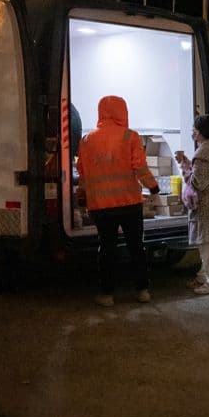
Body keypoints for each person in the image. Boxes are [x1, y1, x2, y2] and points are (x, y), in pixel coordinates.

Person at [77, 95, 160, 307]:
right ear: (123, 111)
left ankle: (106, 294)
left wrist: (81, 197)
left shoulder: (87, 140)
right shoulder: (130, 137)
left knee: (106, 249)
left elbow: (83, 173)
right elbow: (139, 167)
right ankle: (143, 290)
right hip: (130, 203)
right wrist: (152, 186)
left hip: (101, 206)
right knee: (136, 247)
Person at [177, 114, 209, 295]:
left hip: (206, 204)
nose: (193, 134)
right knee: (208, 242)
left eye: (195, 131)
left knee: (207, 243)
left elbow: (198, 182)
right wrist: (190, 163)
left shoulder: (205, 153)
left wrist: (185, 167)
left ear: (203, 132)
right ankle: (204, 276)